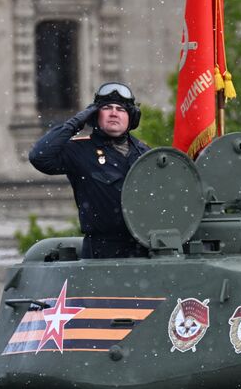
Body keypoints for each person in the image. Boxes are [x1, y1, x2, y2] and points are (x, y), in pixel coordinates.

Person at [28, 82, 152, 259]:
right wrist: (75, 123)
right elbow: (40, 157)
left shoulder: (145, 153)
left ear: (131, 117)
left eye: (121, 109)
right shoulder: (80, 150)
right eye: (107, 108)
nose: (114, 113)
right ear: (94, 115)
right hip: (101, 251)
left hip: (143, 250)